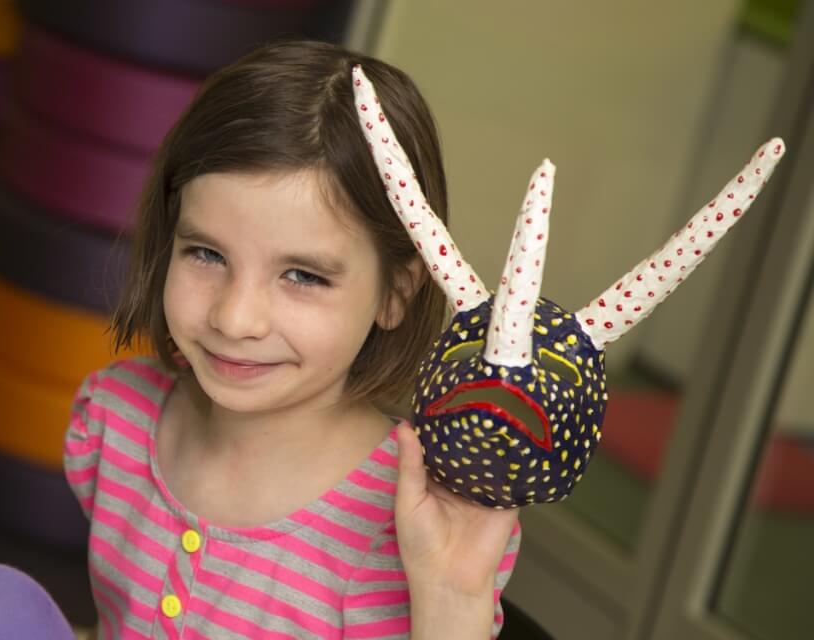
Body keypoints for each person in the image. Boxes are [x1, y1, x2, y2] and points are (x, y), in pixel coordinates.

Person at [65, 39, 521, 639]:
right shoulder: (115, 420)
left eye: (303, 276)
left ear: (396, 294)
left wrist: (450, 599)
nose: (236, 318)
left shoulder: (416, 524)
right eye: (206, 253)